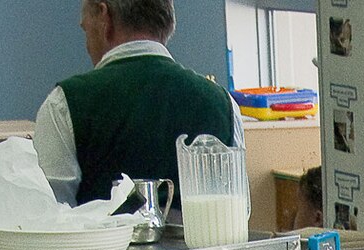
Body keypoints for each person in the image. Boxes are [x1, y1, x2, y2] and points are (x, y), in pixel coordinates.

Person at [33, 0, 240, 206]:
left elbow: (50, 218)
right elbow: (238, 209)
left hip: (106, 240)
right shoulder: (224, 104)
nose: (87, 45)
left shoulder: (64, 103)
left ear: (104, 18)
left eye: (85, 30)